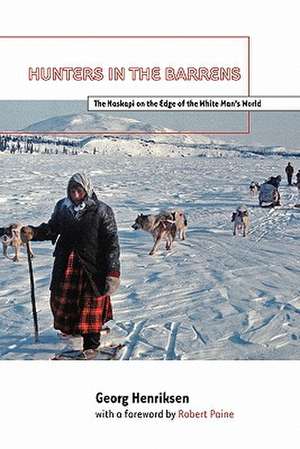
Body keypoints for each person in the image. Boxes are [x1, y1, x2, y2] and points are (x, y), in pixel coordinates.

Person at [21, 172, 120, 359]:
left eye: (79, 190)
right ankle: (74, 330)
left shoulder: (102, 210)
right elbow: (52, 228)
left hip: (92, 266)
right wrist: (34, 232)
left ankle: (91, 343)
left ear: (87, 190)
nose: (75, 195)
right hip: (66, 263)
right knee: (63, 301)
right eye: (72, 190)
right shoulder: (62, 207)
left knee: (90, 304)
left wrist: (113, 271)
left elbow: (111, 243)